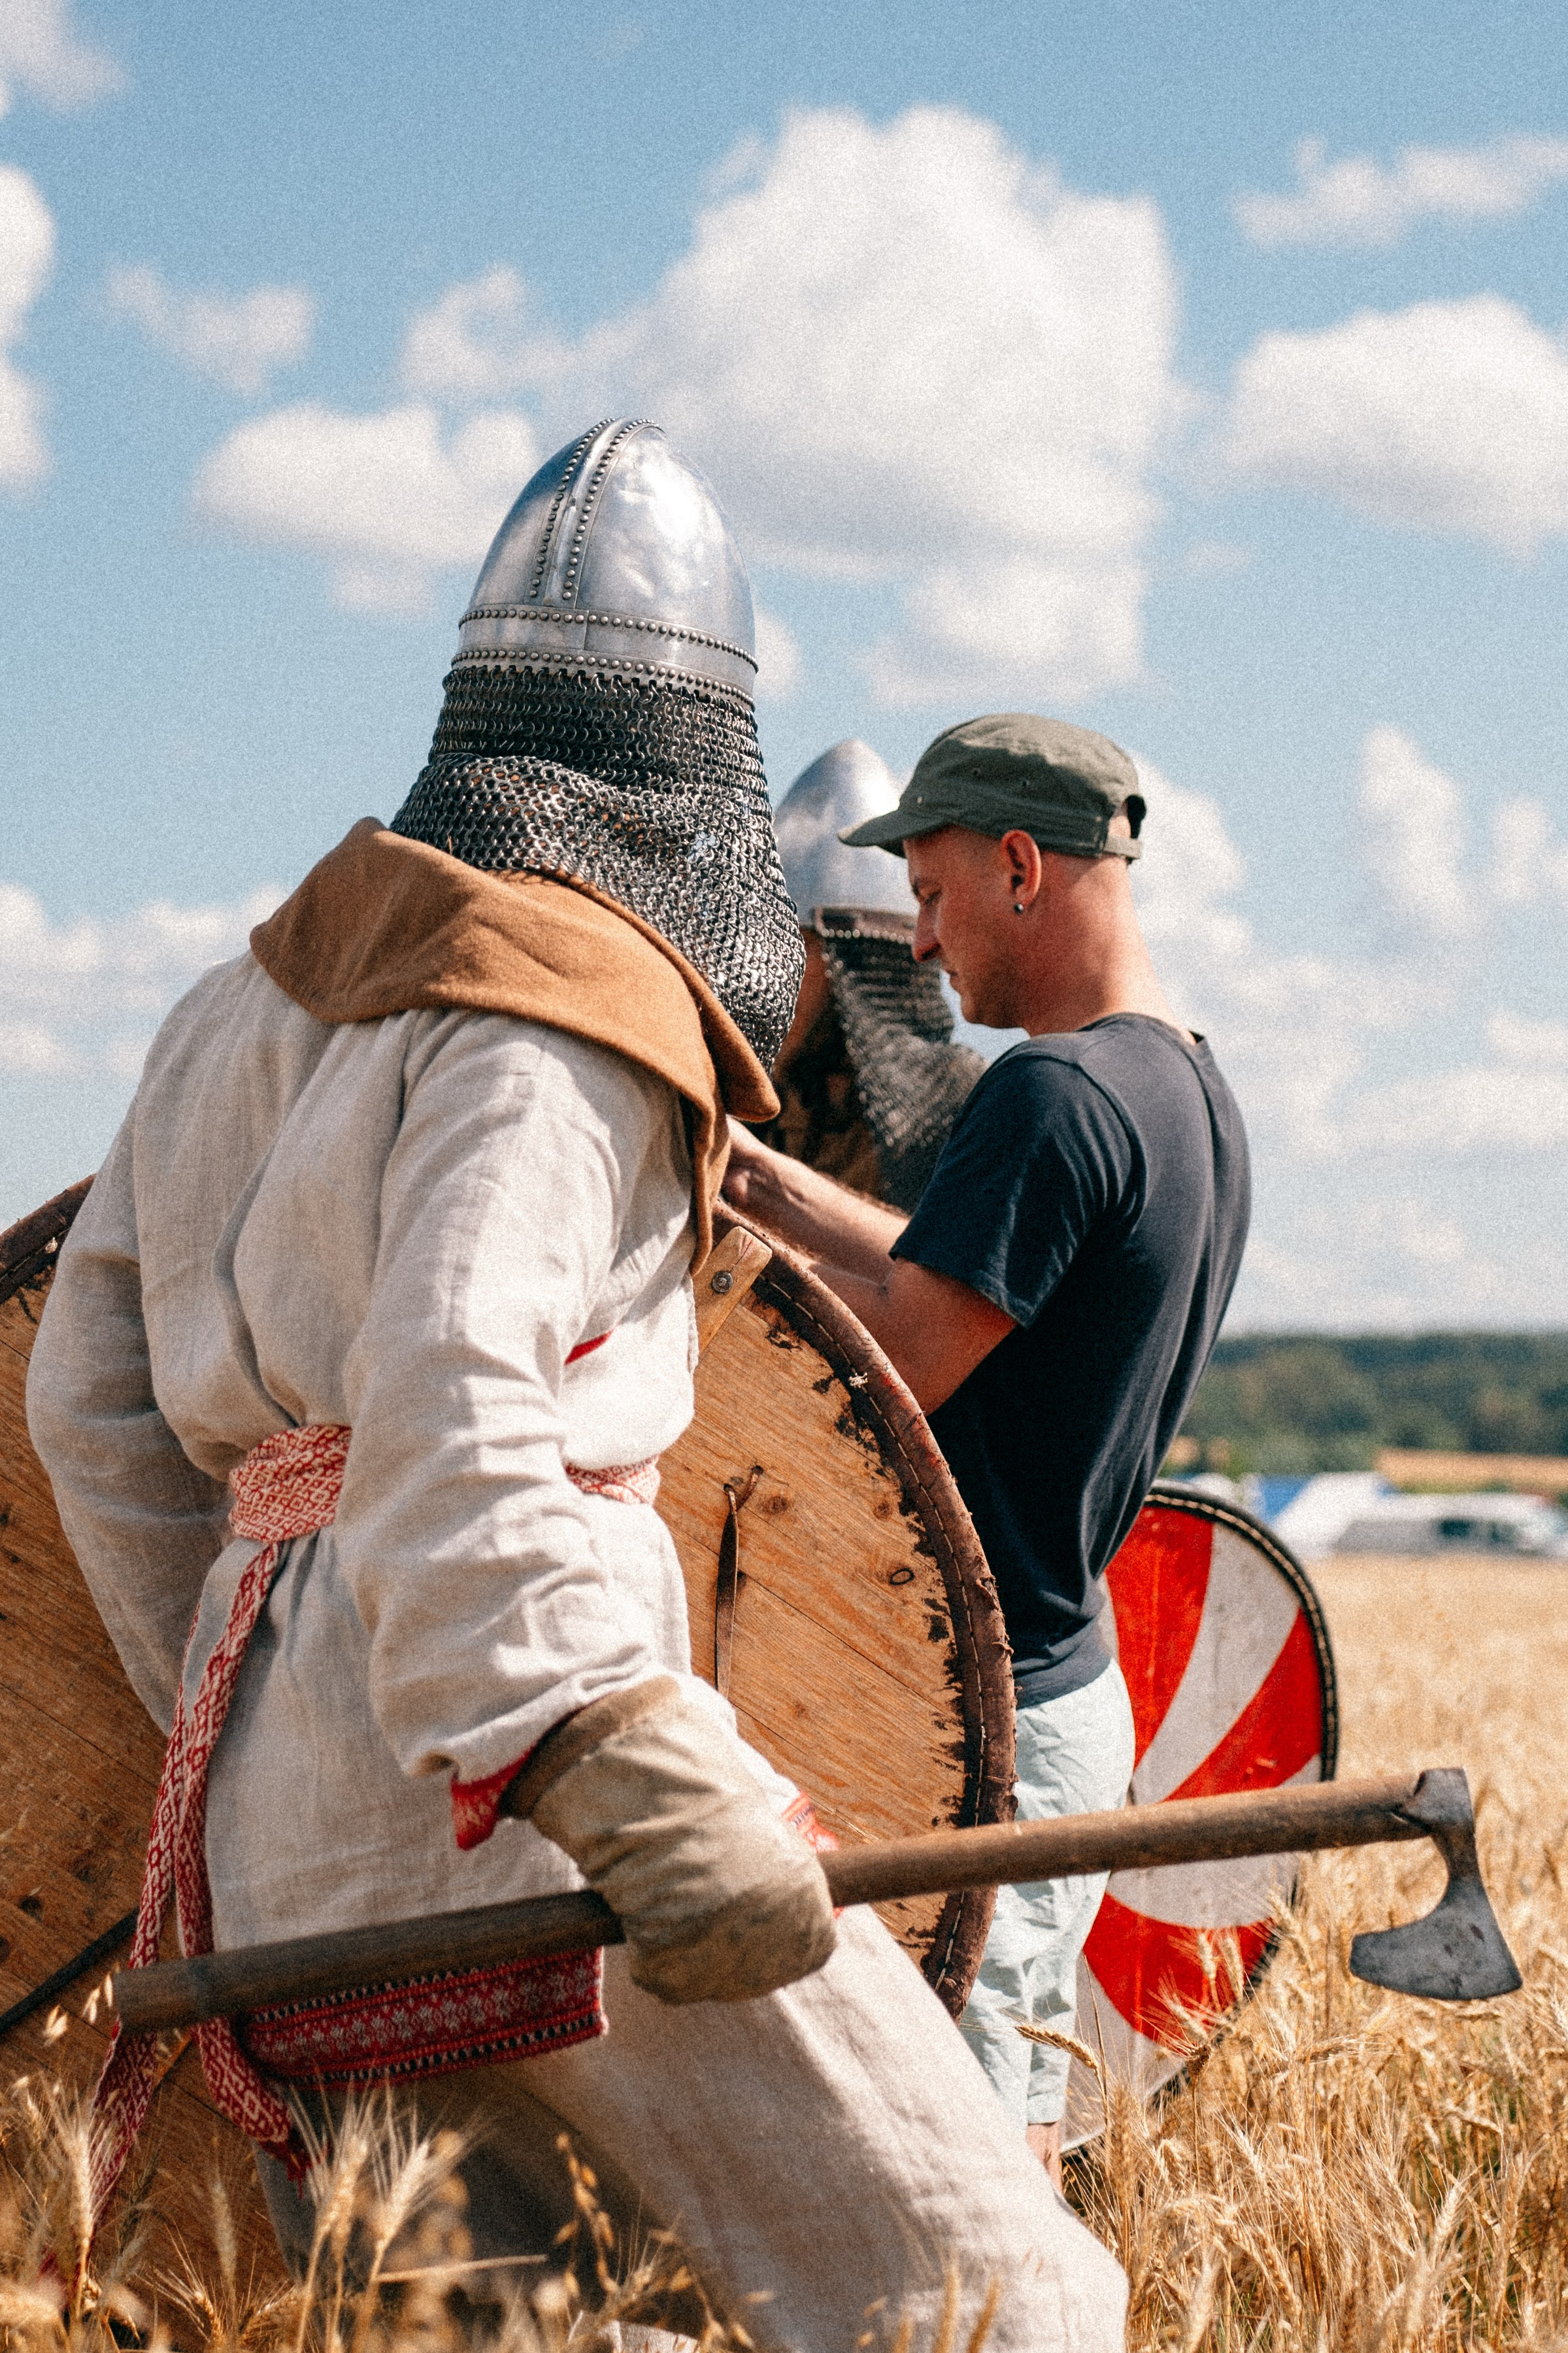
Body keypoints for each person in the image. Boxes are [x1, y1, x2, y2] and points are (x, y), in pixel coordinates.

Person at [26, 436, 1126, 2353]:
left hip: (276, 1822)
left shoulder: (234, 1006)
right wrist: (621, 1767)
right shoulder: (563, 1004)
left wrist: (244, 1690)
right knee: (992, 2289)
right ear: (690, 760)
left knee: (507, 2327)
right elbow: (455, 1403)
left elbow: (93, 1411)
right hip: (530, 1794)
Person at [725, 711, 1251, 2186]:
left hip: (976, 1721)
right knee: (997, 2142)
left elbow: (886, 1363)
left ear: (1021, 865)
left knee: (947, 2194)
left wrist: (702, 1257)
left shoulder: (1046, 1095)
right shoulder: (1184, 1089)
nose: (923, 935)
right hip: (1070, 1693)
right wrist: (763, 1178)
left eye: (939, 890)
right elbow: (969, 1284)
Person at [762, 738, 983, 1208]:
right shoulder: (752, 1095)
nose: (768, 975)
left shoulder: (957, 1108)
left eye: (792, 949)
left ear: (860, 963)